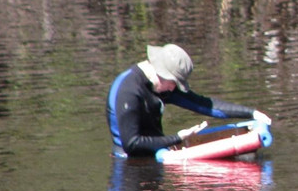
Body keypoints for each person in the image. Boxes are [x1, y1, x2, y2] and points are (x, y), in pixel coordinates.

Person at [106, 43, 271, 157]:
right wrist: (178, 137)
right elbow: (132, 143)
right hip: (130, 166)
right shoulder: (129, 91)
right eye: (174, 83)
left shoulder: (163, 86)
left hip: (157, 154)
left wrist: (252, 113)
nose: (173, 88)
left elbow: (204, 105)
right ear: (160, 73)